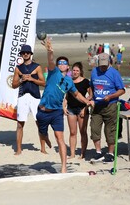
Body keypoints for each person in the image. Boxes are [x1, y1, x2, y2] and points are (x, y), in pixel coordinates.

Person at [37, 38, 94, 173]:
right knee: (42, 133)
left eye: (64, 63)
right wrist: (50, 51)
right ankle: (45, 137)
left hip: (56, 112)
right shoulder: (53, 72)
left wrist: (87, 101)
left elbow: (77, 95)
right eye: (60, 63)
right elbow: (51, 61)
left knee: (60, 139)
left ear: (68, 67)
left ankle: (63, 168)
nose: (62, 65)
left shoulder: (69, 81)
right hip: (43, 111)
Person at [90, 53, 125, 162]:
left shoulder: (114, 73)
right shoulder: (94, 72)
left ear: (109, 62)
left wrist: (110, 96)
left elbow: (122, 90)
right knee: (94, 129)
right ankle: (98, 152)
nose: (103, 67)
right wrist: (90, 98)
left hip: (110, 105)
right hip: (97, 105)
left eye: (105, 65)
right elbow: (91, 87)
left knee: (110, 130)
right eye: (101, 65)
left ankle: (110, 153)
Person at [11, 44, 46, 155]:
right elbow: (14, 85)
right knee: (20, 124)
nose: (25, 54)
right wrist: (21, 80)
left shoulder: (37, 67)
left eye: (27, 52)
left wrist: (31, 79)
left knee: (39, 123)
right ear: (21, 54)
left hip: (35, 97)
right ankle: (19, 149)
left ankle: (43, 148)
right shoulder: (18, 68)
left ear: (31, 54)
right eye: (23, 52)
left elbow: (44, 83)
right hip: (22, 97)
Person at [63, 62, 93, 159]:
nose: (75, 72)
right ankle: (72, 154)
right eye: (74, 70)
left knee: (82, 131)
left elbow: (91, 95)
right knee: (72, 132)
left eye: (77, 71)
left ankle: (83, 153)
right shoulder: (69, 81)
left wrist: (85, 107)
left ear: (80, 72)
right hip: (71, 109)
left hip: (82, 109)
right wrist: (64, 106)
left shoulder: (85, 82)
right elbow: (67, 96)